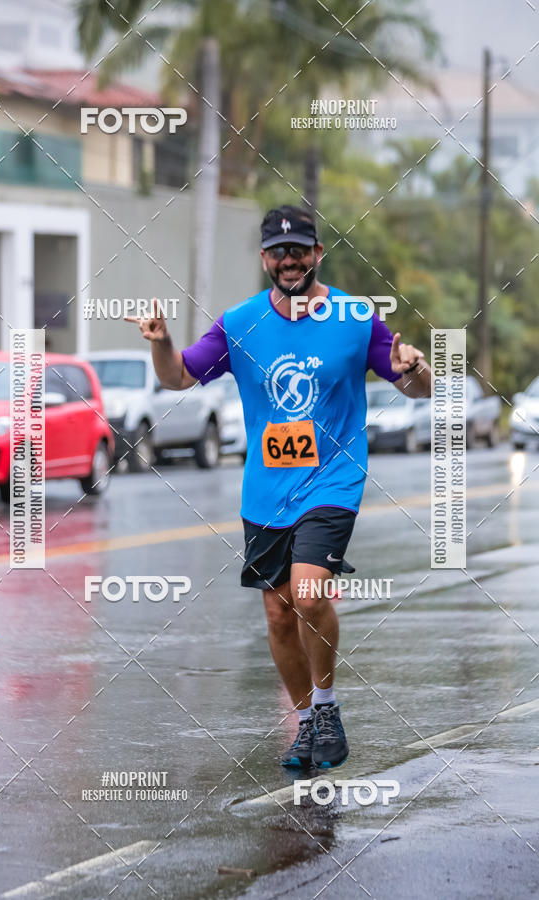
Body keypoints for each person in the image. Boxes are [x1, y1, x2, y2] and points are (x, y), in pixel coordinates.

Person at [126, 204, 432, 769]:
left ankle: (327, 706)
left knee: (310, 593)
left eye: (299, 250)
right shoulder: (240, 323)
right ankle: (307, 720)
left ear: (318, 253)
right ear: (265, 259)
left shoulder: (356, 318)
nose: (289, 260)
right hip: (267, 490)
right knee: (278, 613)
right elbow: (177, 376)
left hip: (333, 480)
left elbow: (418, 389)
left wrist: (414, 367)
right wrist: (161, 342)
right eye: (277, 252)